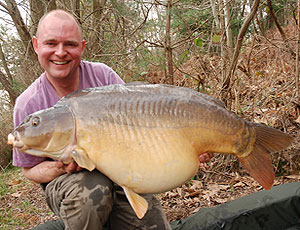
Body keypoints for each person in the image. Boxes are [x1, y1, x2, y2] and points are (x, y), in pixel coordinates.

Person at [12, 9, 171, 230]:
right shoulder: (28, 104)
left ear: (82, 47)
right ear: (37, 45)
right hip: (69, 183)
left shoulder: (103, 77)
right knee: (92, 190)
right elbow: (29, 170)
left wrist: (187, 145)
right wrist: (61, 166)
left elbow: (139, 126)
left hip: (119, 170)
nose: (60, 52)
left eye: (70, 44)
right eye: (51, 43)